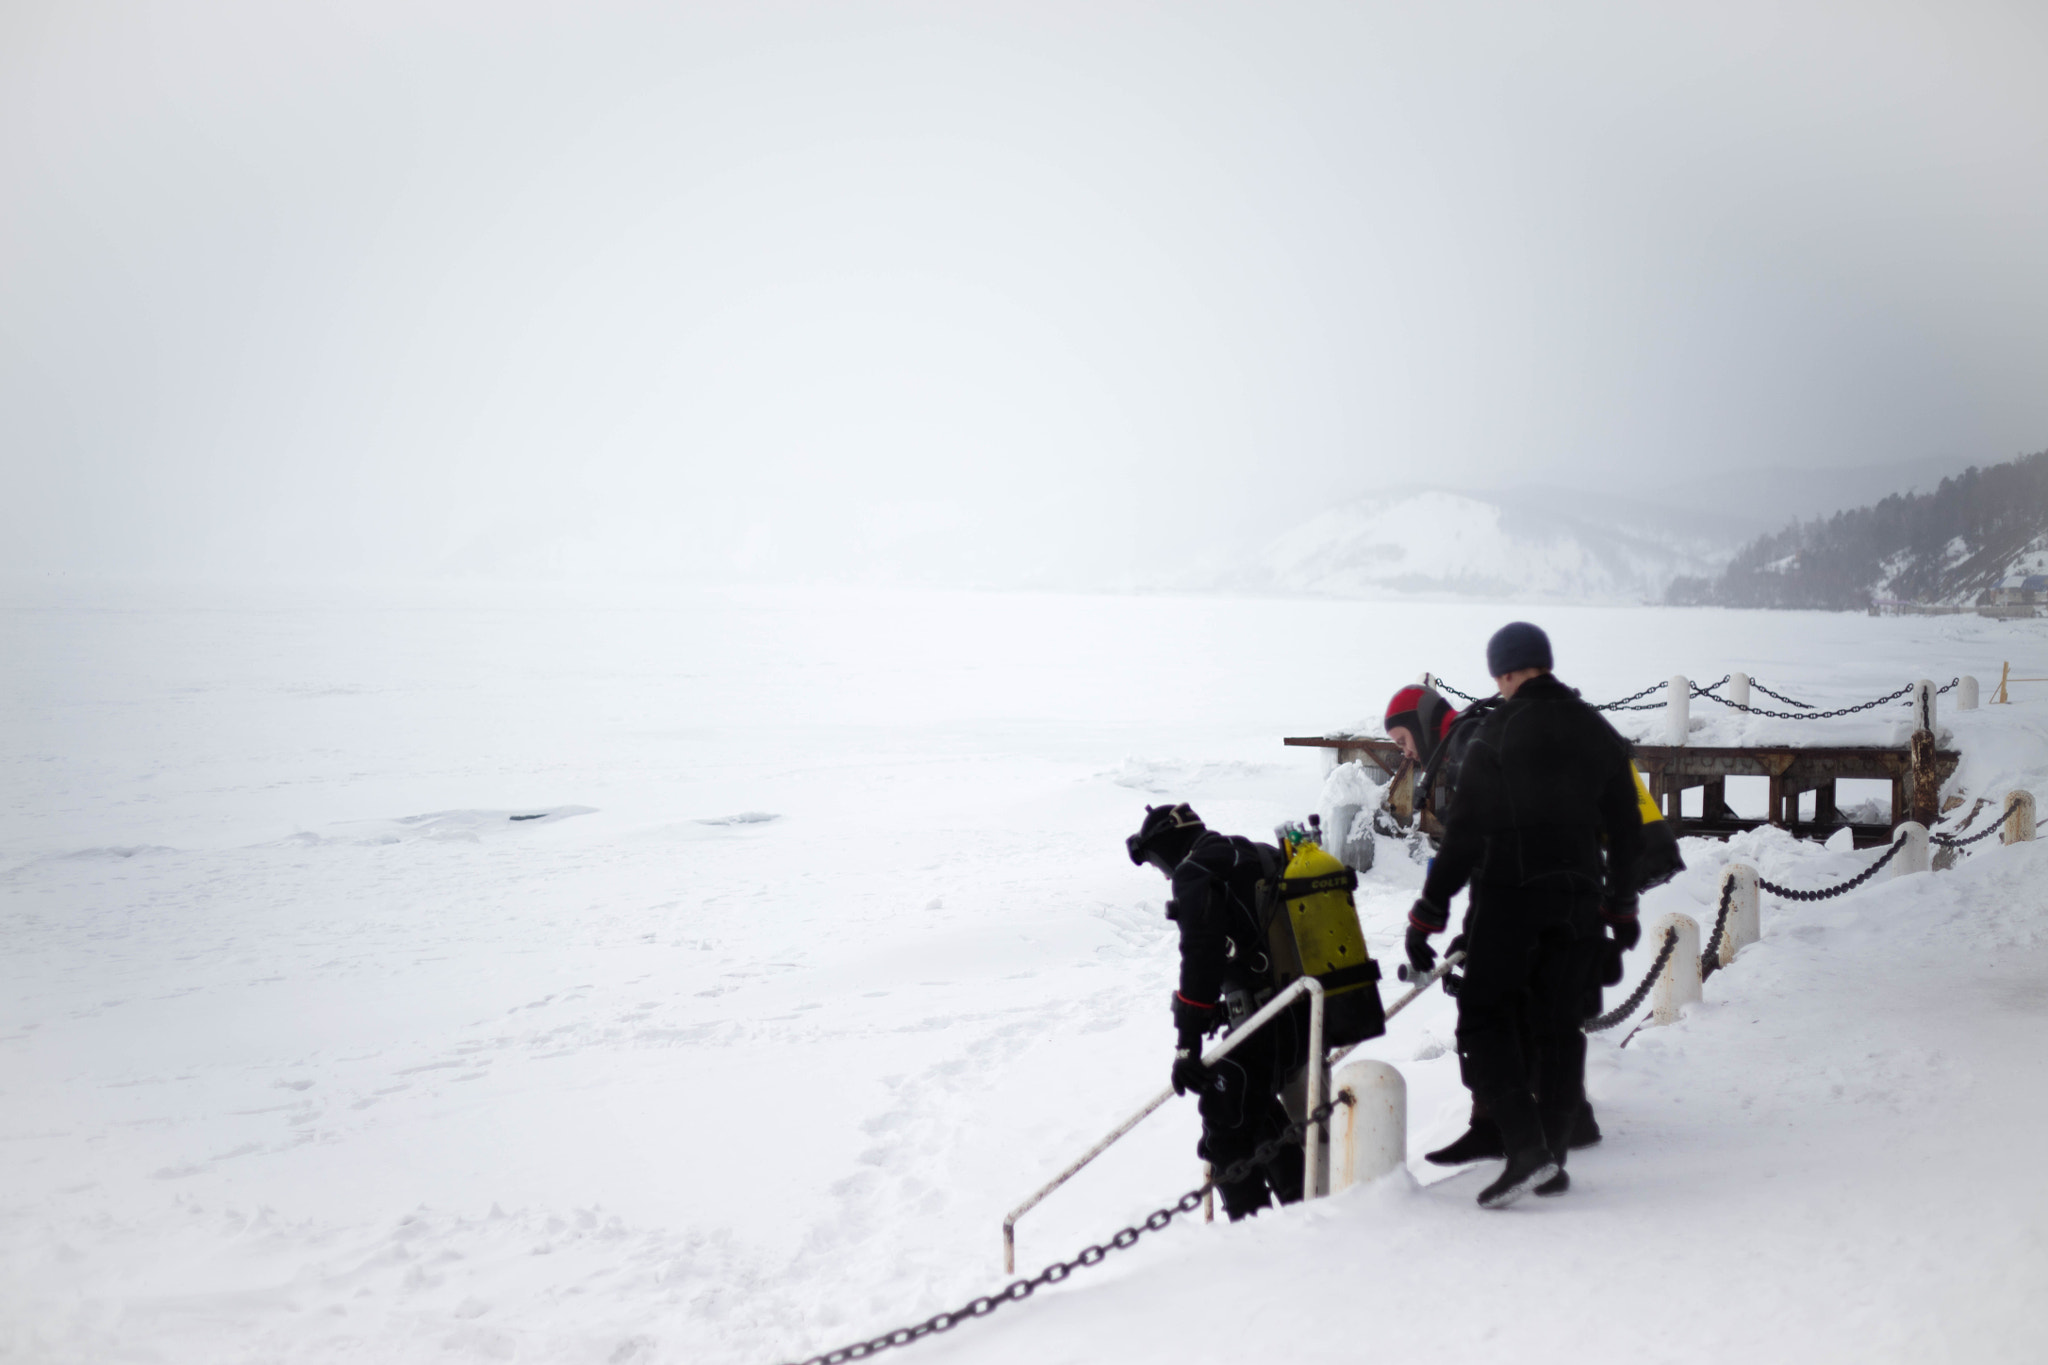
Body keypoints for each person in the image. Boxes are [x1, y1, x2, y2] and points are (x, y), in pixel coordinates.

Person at [1404, 622, 1645, 1208]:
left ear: (1505, 672)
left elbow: (1462, 840)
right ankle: (1552, 1161)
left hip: (1511, 899)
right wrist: (1622, 905)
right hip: (1580, 900)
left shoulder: (1496, 734)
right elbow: (1628, 829)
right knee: (1559, 1029)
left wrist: (1426, 920)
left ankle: (1525, 1148)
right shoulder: (1596, 730)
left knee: (1483, 1022)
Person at [1127, 803, 1305, 1220]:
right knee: (1255, 1112)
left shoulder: (1195, 872)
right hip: (1302, 1011)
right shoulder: (1256, 853)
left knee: (1224, 1128)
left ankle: (1251, 1236)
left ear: (1167, 847)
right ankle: (1305, 1209)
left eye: (1158, 865)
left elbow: (1200, 957)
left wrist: (1188, 1045)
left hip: (1265, 1022)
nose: (1166, 876)